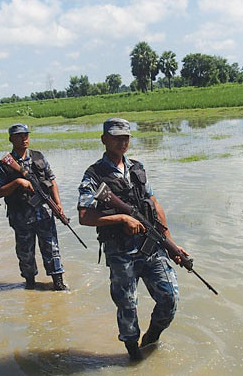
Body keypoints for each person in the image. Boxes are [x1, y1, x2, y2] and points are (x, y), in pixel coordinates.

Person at [77, 118, 183, 361]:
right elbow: (84, 216)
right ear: (104, 139)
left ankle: (151, 339)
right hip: (120, 252)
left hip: (151, 247)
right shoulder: (94, 175)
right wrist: (122, 219)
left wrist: (171, 244)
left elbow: (155, 205)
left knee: (170, 298)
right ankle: (133, 354)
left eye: (125, 137)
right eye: (116, 137)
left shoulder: (137, 167)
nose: (122, 141)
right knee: (127, 306)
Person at [0, 123, 67, 291]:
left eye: (26, 135)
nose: (24, 138)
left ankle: (58, 282)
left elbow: (52, 181)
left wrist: (58, 204)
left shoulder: (38, 157)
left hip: (44, 212)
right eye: (19, 136)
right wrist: (18, 182)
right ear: (11, 139)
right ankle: (30, 283)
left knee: (51, 247)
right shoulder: (4, 164)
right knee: (25, 252)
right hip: (21, 215)